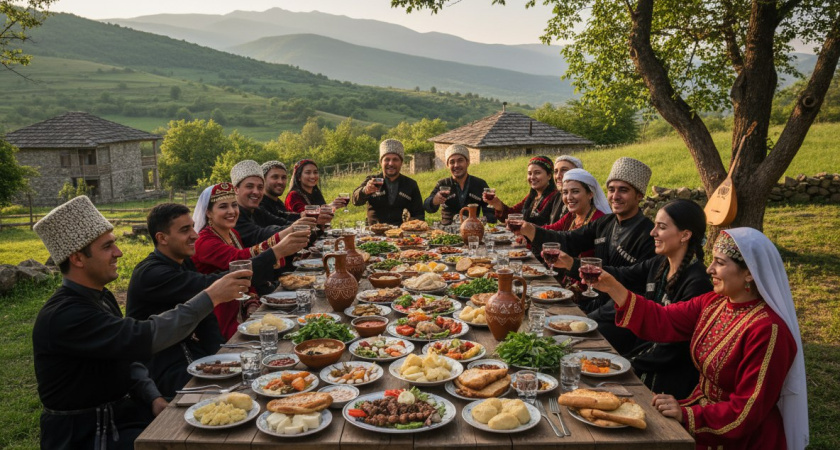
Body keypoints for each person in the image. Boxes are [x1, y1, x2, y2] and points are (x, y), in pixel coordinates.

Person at [32, 196, 249, 449]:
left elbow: (124, 356)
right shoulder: (66, 315)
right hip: (85, 436)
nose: (118, 252)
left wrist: (152, 397)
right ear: (78, 259)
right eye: (107, 247)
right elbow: (143, 336)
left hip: (124, 416)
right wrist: (210, 296)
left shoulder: (100, 298)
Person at [588, 228, 808, 450]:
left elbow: (748, 410)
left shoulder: (768, 330)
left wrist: (686, 415)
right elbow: (663, 319)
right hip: (702, 415)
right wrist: (613, 287)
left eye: (720, 263)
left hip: (741, 437)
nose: (710, 269)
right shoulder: (713, 303)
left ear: (749, 273)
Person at [126, 201, 305, 397]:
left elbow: (206, 317)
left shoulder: (183, 261)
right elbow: (211, 285)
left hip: (194, 353)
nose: (194, 235)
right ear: (162, 238)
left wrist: (222, 354)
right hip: (161, 367)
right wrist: (275, 252)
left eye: (193, 227)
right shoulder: (151, 273)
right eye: (185, 230)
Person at [554, 199, 710, 398]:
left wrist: (626, 364)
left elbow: (674, 349)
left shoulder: (698, 282)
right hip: (639, 356)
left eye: (661, 227)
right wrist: (572, 264)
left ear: (685, 235)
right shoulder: (659, 263)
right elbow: (622, 275)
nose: (653, 233)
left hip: (663, 377)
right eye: (655, 225)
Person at [519, 157, 656, 353]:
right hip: (595, 303)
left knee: (557, 341)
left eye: (623, 190)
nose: (615, 196)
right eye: (611, 189)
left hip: (620, 317)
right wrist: (530, 230)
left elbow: (633, 280)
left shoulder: (648, 235)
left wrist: (574, 265)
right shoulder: (606, 223)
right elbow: (569, 239)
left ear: (639, 195)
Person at [192, 182, 311, 339]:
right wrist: (279, 247)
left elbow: (247, 275)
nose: (231, 211)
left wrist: (252, 302)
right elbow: (240, 261)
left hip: (242, 306)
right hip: (220, 316)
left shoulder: (232, 233)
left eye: (234, 205)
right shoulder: (204, 241)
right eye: (223, 207)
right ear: (208, 212)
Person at [230, 159, 320, 247]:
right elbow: (259, 235)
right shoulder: (233, 214)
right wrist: (294, 228)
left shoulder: (257, 210)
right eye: (249, 186)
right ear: (236, 189)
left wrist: (303, 218)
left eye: (260, 187)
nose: (256, 192)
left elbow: (280, 221)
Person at [352, 139, 425, 225]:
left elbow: (419, 214)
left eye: (395, 159)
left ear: (401, 162)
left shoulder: (410, 184)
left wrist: (411, 223)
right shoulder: (372, 180)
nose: (391, 163)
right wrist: (365, 191)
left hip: (401, 231)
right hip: (374, 231)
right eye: (387, 159)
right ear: (381, 162)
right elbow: (355, 200)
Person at [423, 144, 495, 225]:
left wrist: (484, 221)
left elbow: (490, 212)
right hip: (447, 229)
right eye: (452, 162)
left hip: (472, 229)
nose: (456, 165)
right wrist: (434, 201)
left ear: (467, 162)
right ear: (447, 165)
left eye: (460, 160)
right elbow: (427, 207)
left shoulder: (480, 184)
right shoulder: (443, 184)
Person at [483, 155, 561, 227]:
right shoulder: (532, 197)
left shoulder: (556, 197)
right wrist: (497, 204)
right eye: (529, 173)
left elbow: (553, 227)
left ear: (549, 176)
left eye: (537, 173)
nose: (532, 177)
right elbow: (514, 214)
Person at [548, 154, 584, 221]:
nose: (558, 176)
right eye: (555, 171)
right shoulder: (557, 197)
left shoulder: (582, 201)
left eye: (564, 170)